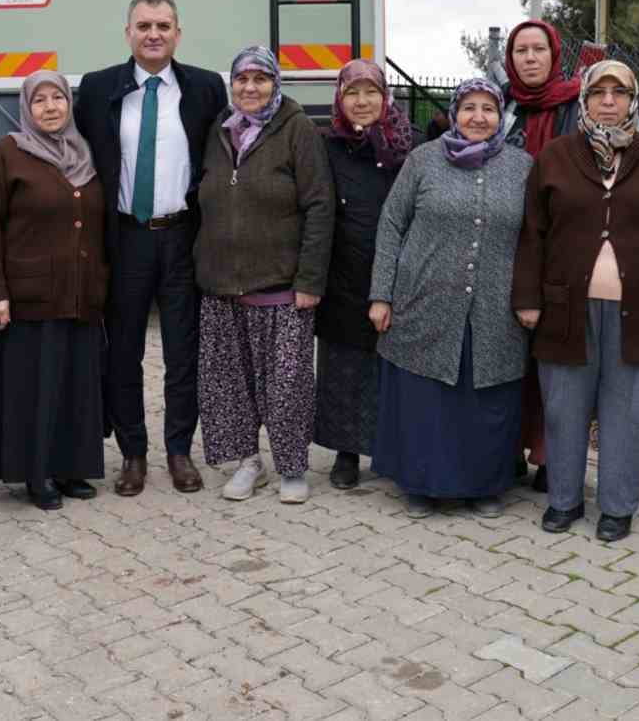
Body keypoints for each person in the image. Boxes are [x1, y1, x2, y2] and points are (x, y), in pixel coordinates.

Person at [513, 62, 639, 541]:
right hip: (566, 307)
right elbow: (532, 233)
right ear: (584, 99)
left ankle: (617, 507)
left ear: (633, 100)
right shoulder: (555, 156)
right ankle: (564, 501)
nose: (609, 101)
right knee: (564, 406)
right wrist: (528, 299)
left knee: (630, 411)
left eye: (619, 92)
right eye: (599, 92)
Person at [73, 0, 229, 497]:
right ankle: (134, 454)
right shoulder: (98, 89)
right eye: (144, 26)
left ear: (178, 34)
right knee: (123, 353)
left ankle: (180, 451)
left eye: (163, 25)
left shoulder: (205, 88)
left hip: (184, 236)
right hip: (124, 238)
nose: (154, 34)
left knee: (184, 352)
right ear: (128, 33)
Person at [369, 79, 532, 519]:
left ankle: (484, 485)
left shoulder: (522, 167)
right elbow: (390, 225)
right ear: (454, 113)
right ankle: (420, 484)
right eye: (469, 108)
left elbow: (538, 238)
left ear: (501, 117)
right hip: (422, 298)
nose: (478, 117)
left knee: (483, 399)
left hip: (494, 307)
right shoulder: (423, 160)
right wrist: (381, 294)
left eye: (488, 109)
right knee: (426, 401)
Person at [194, 46, 334, 503]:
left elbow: (319, 206)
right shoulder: (219, 130)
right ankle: (247, 463)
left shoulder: (297, 129)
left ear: (276, 83)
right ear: (231, 84)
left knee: (287, 384)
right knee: (231, 383)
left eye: (261, 79)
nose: (250, 88)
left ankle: (292, 466)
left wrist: (310, 281)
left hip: (281, 286)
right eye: (242, 79)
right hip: (221, 285)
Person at [0, 70, 109, 509]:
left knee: (77, 383)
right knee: (36, 386)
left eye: (58, 98)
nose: (51, 107)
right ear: (26, 108)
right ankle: (37, 475)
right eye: (40, 100)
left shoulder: (86, 152)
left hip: (81, 293)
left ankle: (72, 469)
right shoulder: (11, 153)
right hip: (30, 295)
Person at [316, 59, 411, 489]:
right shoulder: (328, 146)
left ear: (385, 96)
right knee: (344, 366)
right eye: (352, 93)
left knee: (388, 366)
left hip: (398, 272)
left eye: (370, 91)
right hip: (343, 272)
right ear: (340, 98)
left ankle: (391, 450)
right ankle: (346, 453)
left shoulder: (408, 147)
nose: (361, 101)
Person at [501, 19, 581, 494]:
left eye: (538, 50)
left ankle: (553, 455)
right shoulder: (498, 105)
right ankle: (506, 448)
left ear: (555, 56)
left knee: (557, 358)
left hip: (561, 248)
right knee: (508, 357)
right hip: (504, 248)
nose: (530, 58)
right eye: (520, 51)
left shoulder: (578, 104)